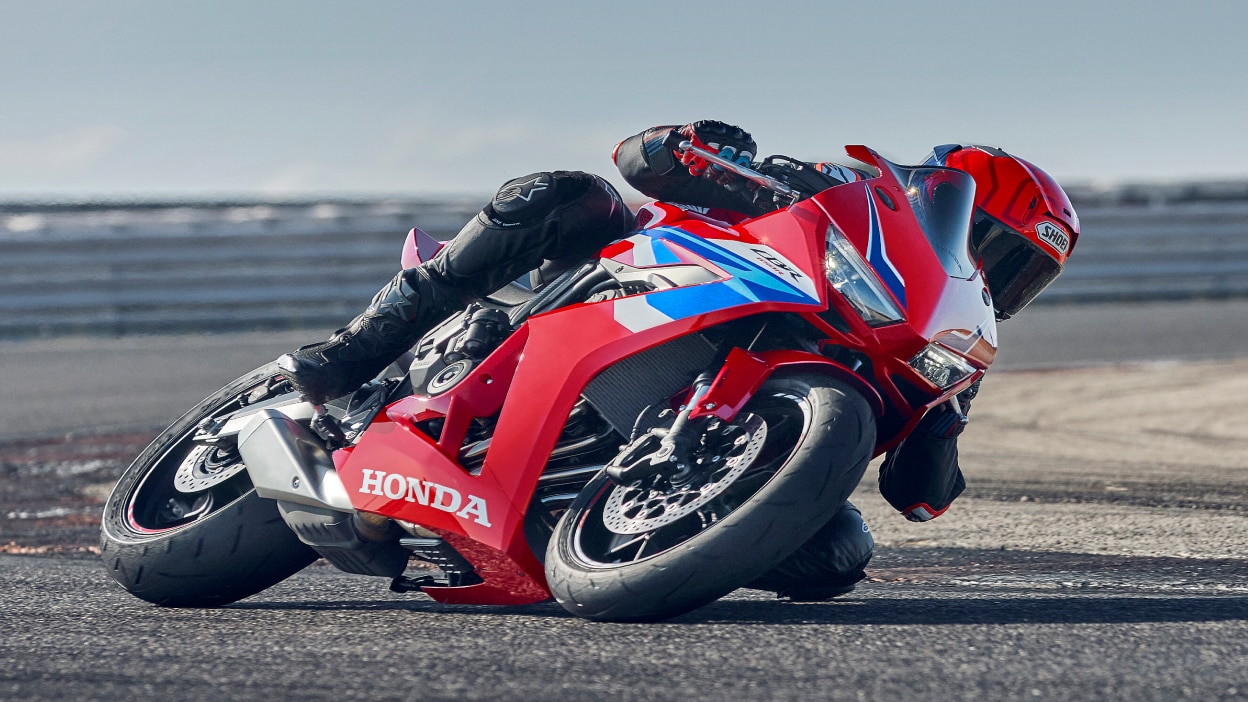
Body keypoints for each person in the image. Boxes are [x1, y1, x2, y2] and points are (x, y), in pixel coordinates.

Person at [277, 120, 1081, 601]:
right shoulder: (843, 194)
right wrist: (706, 149)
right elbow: (646, 158)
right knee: (565, 193)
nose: (1000, 280)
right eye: (1001, 253)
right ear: (953, 201)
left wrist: (940, 425)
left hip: (746, 415)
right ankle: (363, 349)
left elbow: (919, 499)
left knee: (840, 554)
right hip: (667, 286)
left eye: (1024, 277)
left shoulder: (949, 349)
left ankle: (611, 536)